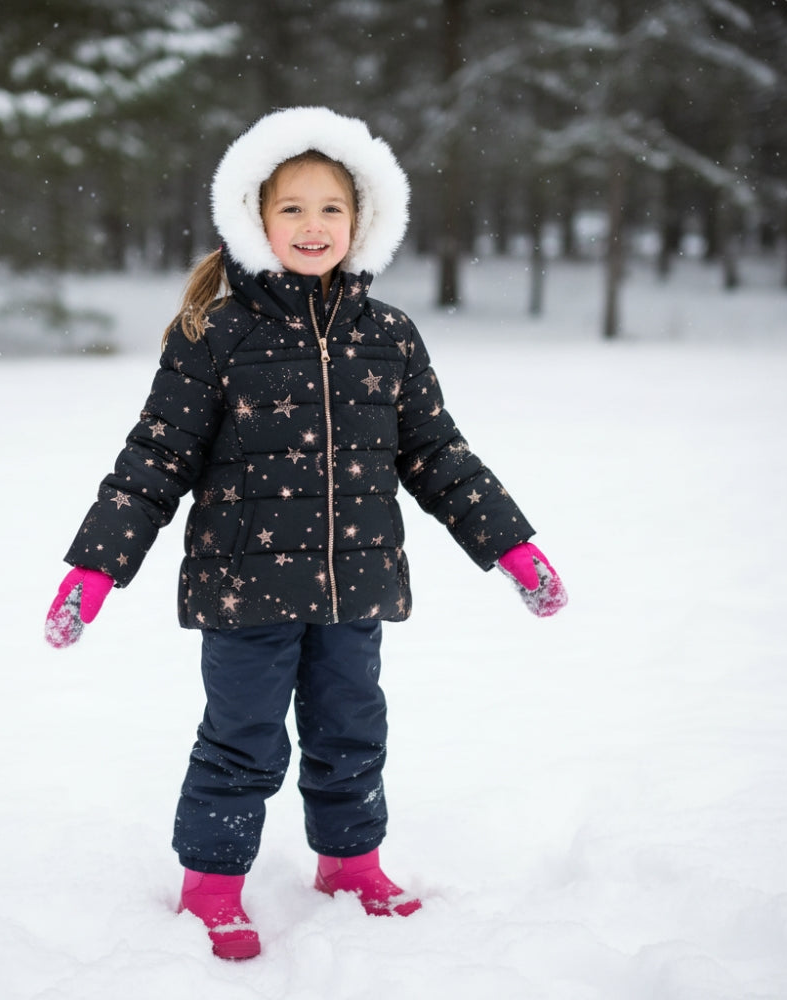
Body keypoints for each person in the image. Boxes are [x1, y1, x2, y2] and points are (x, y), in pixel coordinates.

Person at [44, 106, 567, 961]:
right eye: (292, 208)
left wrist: (512, 546)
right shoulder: (213, 336)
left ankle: (351, 862)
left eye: (331, 208)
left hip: (354, 587)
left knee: (351, 729)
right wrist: (95, 570)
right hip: (244, 588)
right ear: (254, 217)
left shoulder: (389, 336)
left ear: (362, 221)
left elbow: (439, 455)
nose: (313, 225)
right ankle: (212, 885)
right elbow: (154, 458)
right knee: (243, 734)